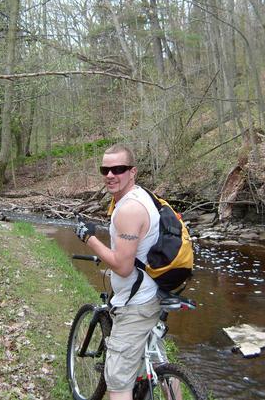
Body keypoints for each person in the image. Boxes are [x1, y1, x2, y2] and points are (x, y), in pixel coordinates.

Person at [74, 144, 161, 400]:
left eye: (118, 169)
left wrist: (88, 238)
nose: (110, 175)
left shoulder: (128, 209)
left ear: (132, 171)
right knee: (155, 362)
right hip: (155, 292)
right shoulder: (141, 196)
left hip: (137, 302)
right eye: (105, 169)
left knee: (118, 382)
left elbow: (123, 267)